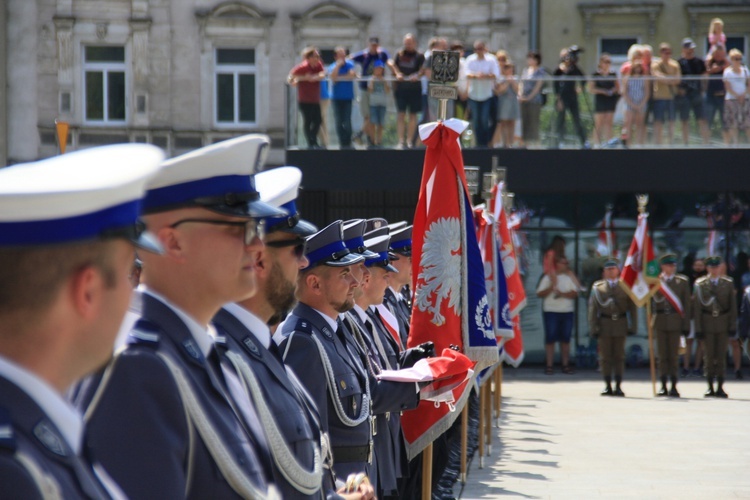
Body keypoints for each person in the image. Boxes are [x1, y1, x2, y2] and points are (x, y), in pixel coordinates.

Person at [73, 135, 286, 498]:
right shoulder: (139, 372)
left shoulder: (207, 355)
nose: (256, 246)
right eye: (240, 229)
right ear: (173, 242)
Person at [0, 144, 163, 498]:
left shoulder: (41, 435)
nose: (132, 293)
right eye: (126, 275)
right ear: (87, 290)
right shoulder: (13, 474)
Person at [278, 221, 420, 492]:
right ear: (315, 283)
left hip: (361, 479)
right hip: (339, 486)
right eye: (345, 273)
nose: (356, 281)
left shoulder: (336, 331)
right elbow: (308, 444)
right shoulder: (303, 341)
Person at [588, 259, 638, 396]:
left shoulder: (625, 286)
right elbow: (593, 309)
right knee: (605, 357)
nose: (611, 271)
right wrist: (593, 328)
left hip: (620, 324)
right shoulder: (598, 288)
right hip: (604, 324)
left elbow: (632, 308)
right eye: (608, 269)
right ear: (604, 272)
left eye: (613, 269)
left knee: (619, 356)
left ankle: (618, 385)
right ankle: (607, 384)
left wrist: (633, 326)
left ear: (618, 270)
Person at [693, 256, 737, 397]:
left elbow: (732, 307)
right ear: (707, 268)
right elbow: (697, 308)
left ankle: (720, 386)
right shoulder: (700, 284)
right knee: (709, 356)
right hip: (707, 322)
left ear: (720, 268)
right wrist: (698, 329)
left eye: (716, 267)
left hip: (723, 322)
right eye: (711, 267)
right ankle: (710, 386)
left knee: (721, 355)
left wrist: (732, 325)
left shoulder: (728, 283)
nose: (714, 269)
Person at [651, 254, 692, 397]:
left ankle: (674, 385)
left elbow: (686, 304)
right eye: (669, 265)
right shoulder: (655, 281)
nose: (672, 268)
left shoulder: (682, 282)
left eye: (673, 265)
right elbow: (650, 303)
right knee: (662, 356)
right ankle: (663, 385)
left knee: (674, 355)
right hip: (660, 321)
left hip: (676, 321)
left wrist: (686, 325)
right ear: (662, 266)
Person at [536, 256, 580, 374]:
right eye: (562, 263)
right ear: (557, 264)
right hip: (551, 311)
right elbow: (539, 293)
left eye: (566, 263)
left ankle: (565, 364)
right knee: (550, 339)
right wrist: (552, 285)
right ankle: (549, 365)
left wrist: (561, 293)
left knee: (566, 339)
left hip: (567, 311)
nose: (565, 265)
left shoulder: (569, 277)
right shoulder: (548, 277)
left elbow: (575, 293)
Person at [350, 36, 391, 147]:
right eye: (372, 44)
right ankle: (368, 138)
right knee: (367, 116)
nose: (374, 47)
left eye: (375, 45)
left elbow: (390, 63)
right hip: (365, 88)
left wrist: (396, 73)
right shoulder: (364, 55)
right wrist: (354, 73)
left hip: (378, 92)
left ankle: (362, 135)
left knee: (374, 117)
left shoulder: (382, 54)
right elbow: (350, 60)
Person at [391, 33, 425, 149]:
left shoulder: (419, 55)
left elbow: (423, 69)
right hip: (401, 89)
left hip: (414, 89)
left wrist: (417, 75)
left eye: (410, 43)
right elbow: (393, 65)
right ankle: (401, 140)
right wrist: (397, 74)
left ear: (414, 43)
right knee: (401, 114)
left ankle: (410, 140)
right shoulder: (399, 54)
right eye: (406, 43)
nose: (408, 46)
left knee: (412, 115)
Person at [465, 40, 500, 148]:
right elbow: (466, 74)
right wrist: (476, 76)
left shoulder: (491, 59)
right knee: (476, 121)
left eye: (480, 49)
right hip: (474, 94)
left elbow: (496, 74)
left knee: (485, 121)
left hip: (486, 94)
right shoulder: (470, 59)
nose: (478, 51)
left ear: (484, 49)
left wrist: (484, 76)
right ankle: (478, 144)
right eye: (476, 49)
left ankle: (485, 144)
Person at [289, 47, 326, 149]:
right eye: (315, 56)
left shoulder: (318, 65)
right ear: (309, 58)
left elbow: (323, 74)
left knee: (318, 120)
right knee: (308, 121)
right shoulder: (303, 67)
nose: (317, 58)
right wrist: (304, 78)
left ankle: (313, 138)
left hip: (315, 99)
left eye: (318, 56)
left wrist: (315, 77)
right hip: (304, 100)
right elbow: (290, 77)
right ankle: (311, 142)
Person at [676, 38, 710, 145]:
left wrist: (704, 89)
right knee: (684, 120)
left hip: (697, 94)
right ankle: (685, 143)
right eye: (688, 48)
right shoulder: (679, 62)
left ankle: (706, 143)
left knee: (702, 119)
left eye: (692, 48)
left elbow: (705, 76)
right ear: (684, 49)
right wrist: (678, 89)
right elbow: (676, 77)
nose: (691, 50)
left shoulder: (699, 61)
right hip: (684, 95)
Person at [553, 46, 588, 149]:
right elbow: (555, 86)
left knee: (577, 119)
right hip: (562, 98)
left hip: (572, 97)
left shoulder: (574, 69)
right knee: (561, 120)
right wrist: (558, 100)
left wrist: (580, 88)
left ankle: (584, 142)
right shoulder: (558, 70)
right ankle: (560, 142)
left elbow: (583, 79)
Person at [651, 43, 681, 145]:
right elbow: (657, 76)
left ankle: (670, 143)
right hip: (659, 97)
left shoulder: (675, 64)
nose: (667, 55)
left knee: (671, 121)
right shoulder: (656, 64)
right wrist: (670, 79)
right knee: (658, 121)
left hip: (671, 97)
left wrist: (667, 80)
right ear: (660, 53)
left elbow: (678, 79)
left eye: (669, 52)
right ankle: (658, 144)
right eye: (664, 52)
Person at [589, 53, 619, 145]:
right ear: (601, 63)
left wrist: (612, 90)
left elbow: (617, 87)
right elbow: (591, 89)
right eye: (605, 62)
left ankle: (609, 142)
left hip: (610, 100)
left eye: (609, 62)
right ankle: (597, 143)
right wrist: (603, 91)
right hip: (600, 100)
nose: (607, 64)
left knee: (609, 123)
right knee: (598, 123)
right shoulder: (595, 74)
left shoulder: (613, 74)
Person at [329, 46, 357, 149]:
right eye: (340, 55)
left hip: (347, 97)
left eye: (344, 55)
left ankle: (348, 141)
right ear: (336, 57)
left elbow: (351, 76)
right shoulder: (332, 66)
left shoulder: (350, 64)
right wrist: (338, 67)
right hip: (336, 98)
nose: (343, 57)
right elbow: (333, 78)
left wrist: (340, 77)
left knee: (347, 120)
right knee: (338, 121)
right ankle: (341, 141)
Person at [683, 256, 706, 376]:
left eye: (701, 265)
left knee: (701, 342)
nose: (698, 267)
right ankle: (686, 367)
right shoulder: (687, 278)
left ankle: (697, 367)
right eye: (696, 265)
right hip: (691, 315)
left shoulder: (706, 279)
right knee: (689, 341)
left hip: (702, 315)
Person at [722, 48, 750, 146]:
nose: (738, 61)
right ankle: (735, 143)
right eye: (735, 58)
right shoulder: (727, 72)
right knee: (733, 123)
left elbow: (749, 84)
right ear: (731, 59)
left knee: (747, 123)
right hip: (731, 100)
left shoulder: (745, 70)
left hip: (745, 100)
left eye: (739, 58)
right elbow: (727, 87)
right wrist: (737, 96)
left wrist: (744, 95)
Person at [518, 51, 546, 148]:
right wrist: (520, 94)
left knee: (533, 122)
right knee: (524, 122)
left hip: (534, 101)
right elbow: (521, 83)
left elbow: (537, 87)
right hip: (523, 100)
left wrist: (529, 97)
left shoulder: (540, 71)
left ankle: (536, 145)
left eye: (532, 58)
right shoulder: (526, 70)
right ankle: (525, 144)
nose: (529, 60)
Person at [621, 60, 650, 146]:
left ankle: (639, 143)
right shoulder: (627, 78)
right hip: (630, 103)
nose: (637, 69)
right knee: (628, 123)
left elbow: (647, 92)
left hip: (641, 103)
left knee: (639, 124)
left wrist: (641, 104)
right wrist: (631, 104)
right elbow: (625, 92)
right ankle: (628, 144)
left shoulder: (644, 79)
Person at [705, 44, 730, 142]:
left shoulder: (727, 63)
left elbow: (730, 68)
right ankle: (705, 144)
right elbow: (705, 72)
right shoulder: (710, 62)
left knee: (725, 123)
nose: (719, 56)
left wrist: (723, 66)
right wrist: (712, 70)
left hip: (723, 96)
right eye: (717, 53)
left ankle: (727, 145)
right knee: (708, 121)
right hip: (710, 96)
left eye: (721, 54)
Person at [493, 61, 520, 148]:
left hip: (513, 102)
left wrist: (512, 82)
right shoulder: (501, 79)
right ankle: (505, 143)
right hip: (504, 102)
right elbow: (500, 91)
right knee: (504, 122)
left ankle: (511, 143)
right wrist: (507, 82)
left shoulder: (515, 78)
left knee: (512, 122)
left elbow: (517, 90)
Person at [368, 60, 390, 148]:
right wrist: (373, 81)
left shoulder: (385, 79)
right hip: (373, 103)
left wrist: (384, 82)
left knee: (381, 123)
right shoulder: (370, 79)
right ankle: (372, 141)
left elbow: (388, 91)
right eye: (377, 69)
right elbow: (370, 90)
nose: (379, 71)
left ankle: (379, 141)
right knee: (373, 122)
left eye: (381, 69)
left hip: (382, 104)